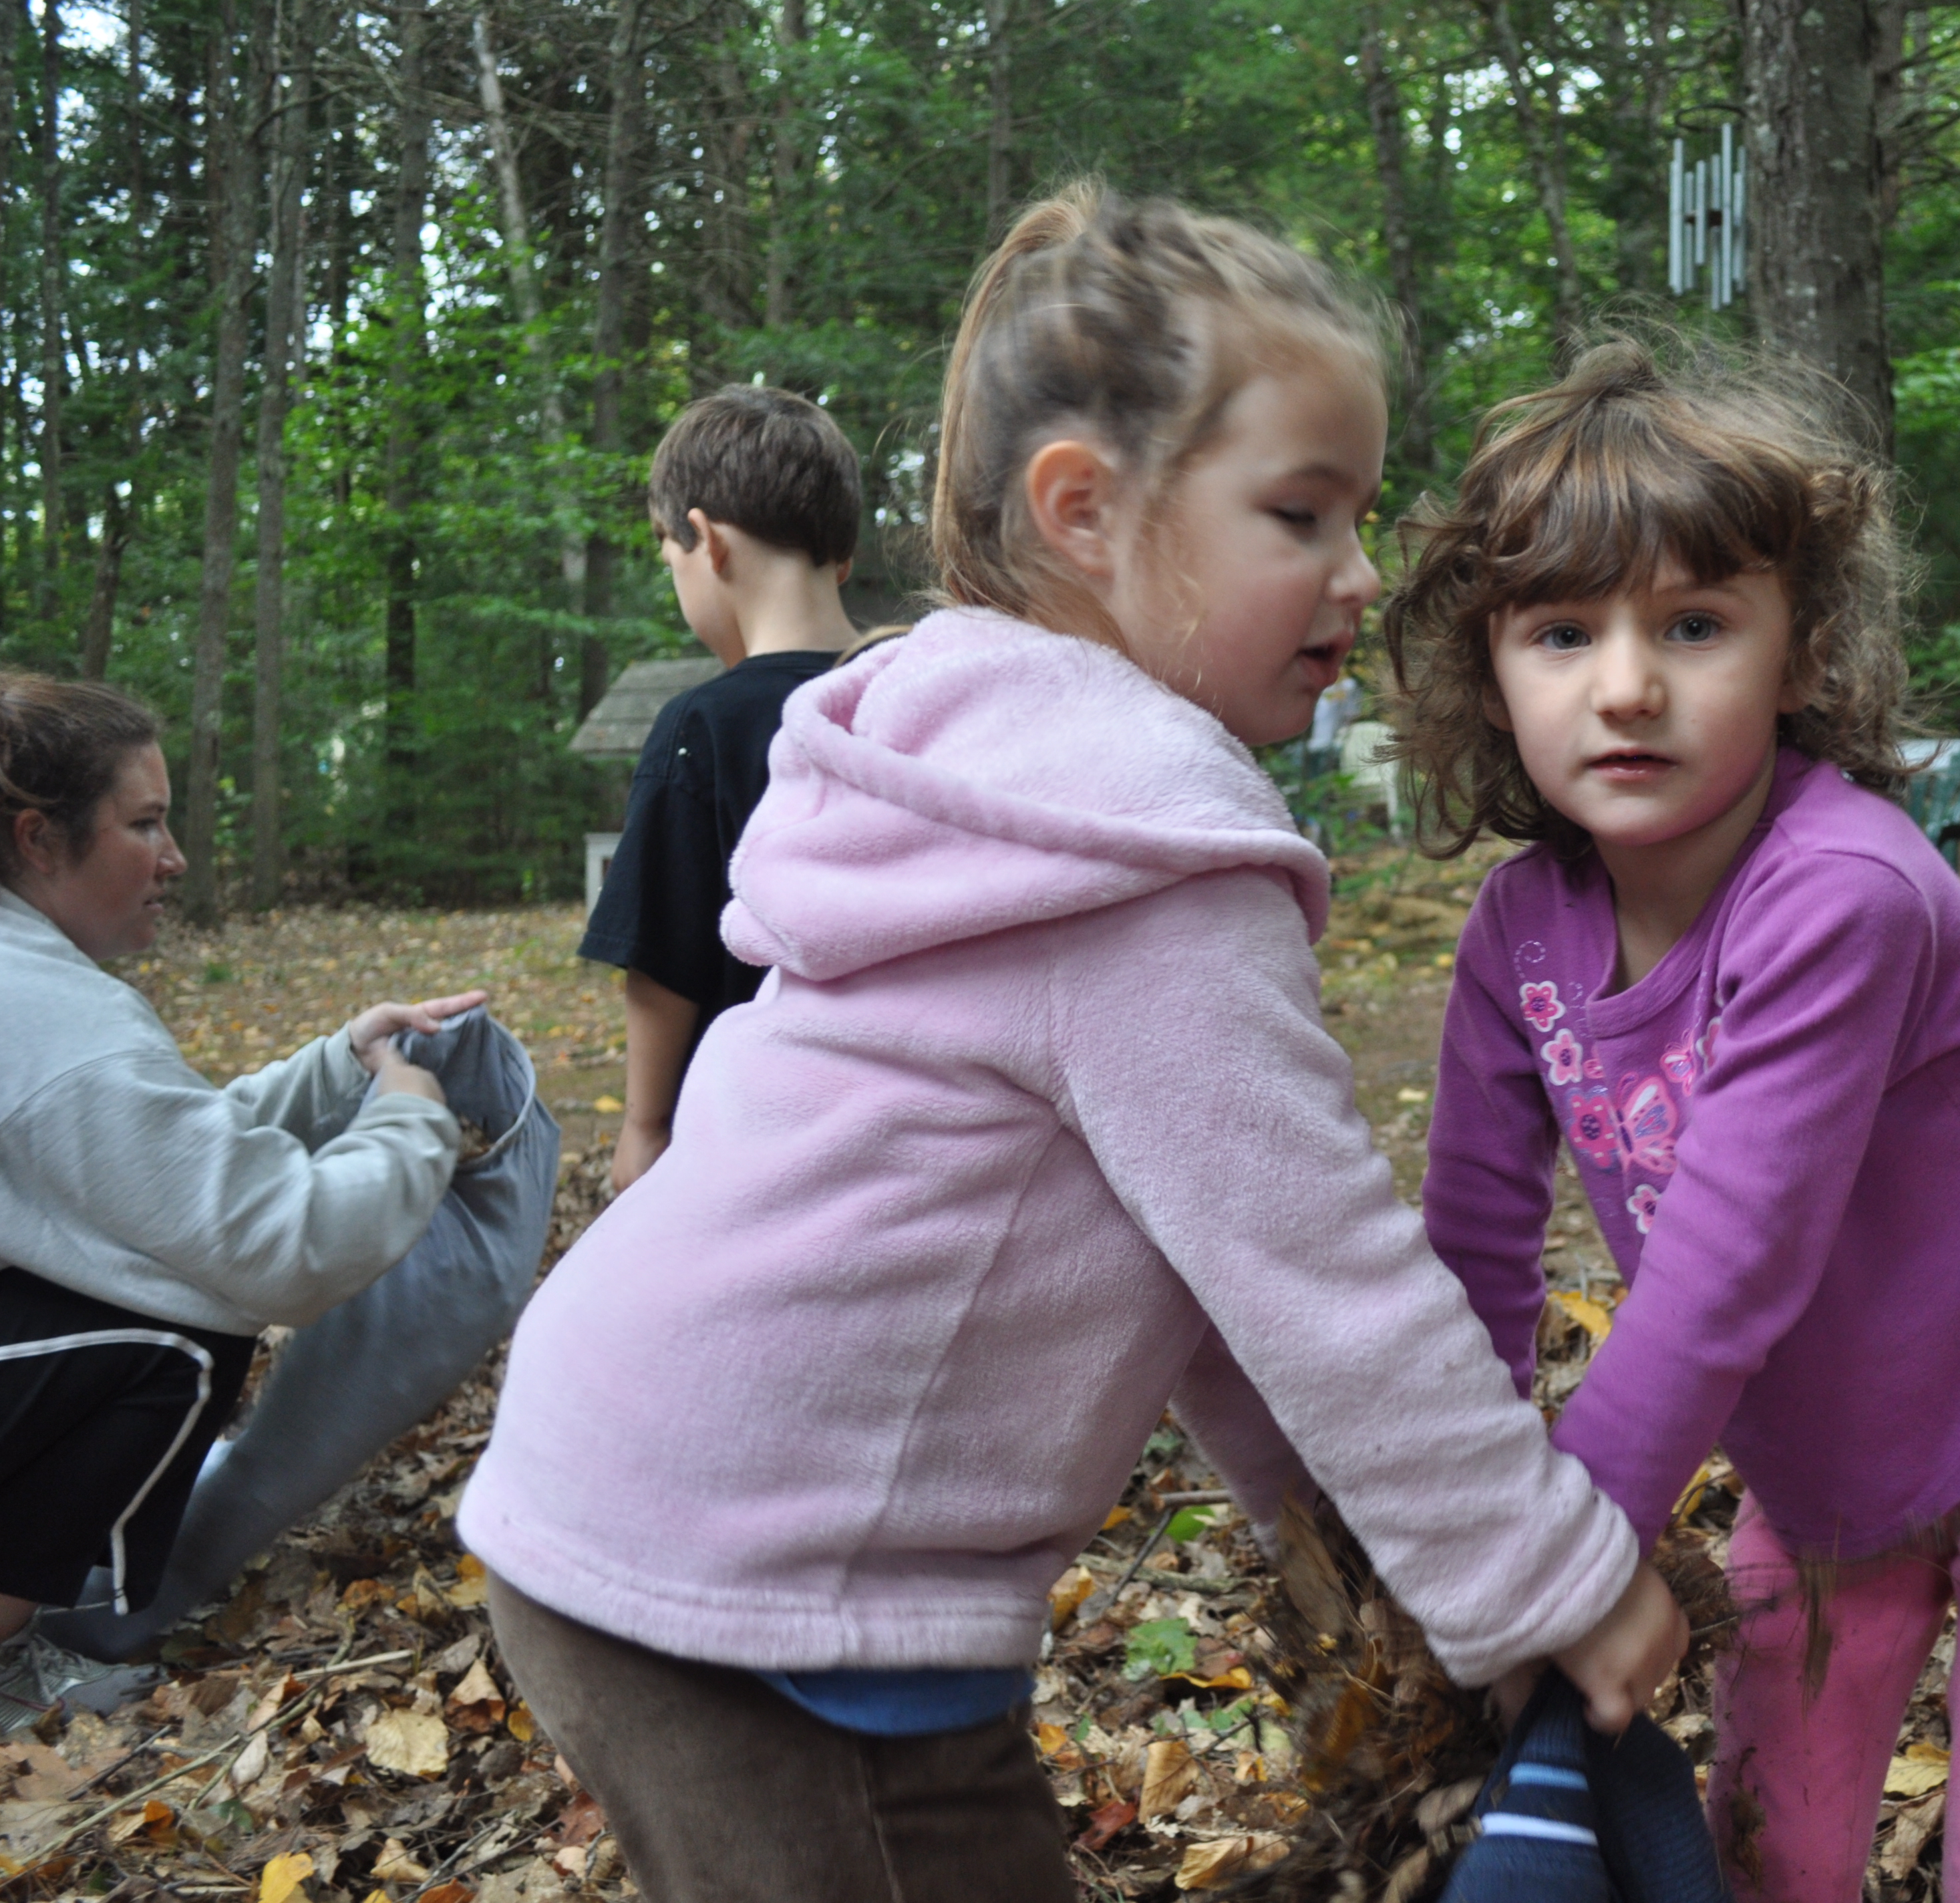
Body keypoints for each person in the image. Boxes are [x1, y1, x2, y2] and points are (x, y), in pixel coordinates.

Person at [458, 185, 1686, 1903]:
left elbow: (1214, 1278)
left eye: (1363, 512)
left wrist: (1362, 1551)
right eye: (1299, 513)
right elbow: (1317, 1265)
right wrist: (1544, 1572)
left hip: (689, 1490)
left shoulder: (1008, 786)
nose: (1363, 571)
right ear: (1085, 511)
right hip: (756, 1582)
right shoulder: (1138, 867)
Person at [1387, 339, 1960, 1903]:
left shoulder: (1846, 888)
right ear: (1493, 672)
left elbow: (1724, 1267)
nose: (1624, 683)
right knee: (1768, 1842)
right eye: (1561, 631)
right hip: (1821, 1449)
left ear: (1799, 651)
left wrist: (1565, 1545)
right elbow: (1474, 1248)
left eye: (1691, 623)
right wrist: (1474, 1529)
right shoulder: (1518, 932)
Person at [0, 670, 480, 1729]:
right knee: (180, 1331)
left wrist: (340, 1065)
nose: (175, 858)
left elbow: (147, 1154)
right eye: (145, 824)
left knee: (154, 1286)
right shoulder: (33, 1007)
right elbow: (285, 1245)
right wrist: (415, 1112)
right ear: (38, 837)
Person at [583, 384, 863, 1193]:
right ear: (841, 554)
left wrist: (644, 1125)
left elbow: (665, 954)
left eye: (668, 556)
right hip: (908, 1117)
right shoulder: (917, 689)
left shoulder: (701, 726)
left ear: (706, 543)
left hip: (746, 1137)